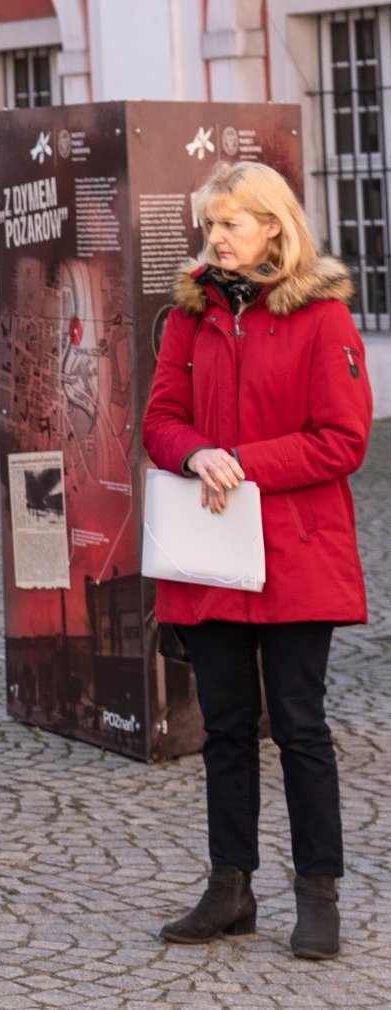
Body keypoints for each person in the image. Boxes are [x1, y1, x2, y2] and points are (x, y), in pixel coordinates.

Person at [143, 160, 371, 961]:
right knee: (227, 729)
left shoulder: (322, 319)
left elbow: (343, 441)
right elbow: (159, 420)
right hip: (210, 560)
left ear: (273, 226)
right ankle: (230, 886)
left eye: (230, 224)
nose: (215, 238)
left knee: (301, 727)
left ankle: (319, 893)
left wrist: (242, 460)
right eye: (210, 225)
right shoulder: (189, 318)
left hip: (297, 555)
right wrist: (197, 451)